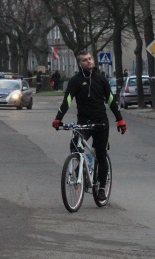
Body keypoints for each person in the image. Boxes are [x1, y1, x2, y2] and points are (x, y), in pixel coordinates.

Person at [52, 50, 127, 202]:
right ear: (80, 63)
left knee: (101, 154)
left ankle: (101, 188)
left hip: (100, 122)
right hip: (83, 122)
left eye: (90, 59)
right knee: (74, 146)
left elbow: (111, 100)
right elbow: (67, 101)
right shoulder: (75, 81)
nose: (89, 62)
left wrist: (120, 120)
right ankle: (82, 169)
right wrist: (58, 118)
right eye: (85, 60)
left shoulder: (101, 79)